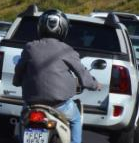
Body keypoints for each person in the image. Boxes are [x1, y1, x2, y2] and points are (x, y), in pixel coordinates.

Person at [13, 9, 101, 143]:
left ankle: (21, 138)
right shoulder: (67, 50)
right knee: (76, 118)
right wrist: (95, 85)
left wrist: (17, 81)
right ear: (63, 29)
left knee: (23, 117)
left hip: (32, 104)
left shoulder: (30, 47)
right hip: (59, 105)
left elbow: (19, 70)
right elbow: (83, 75)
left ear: (40, 27)